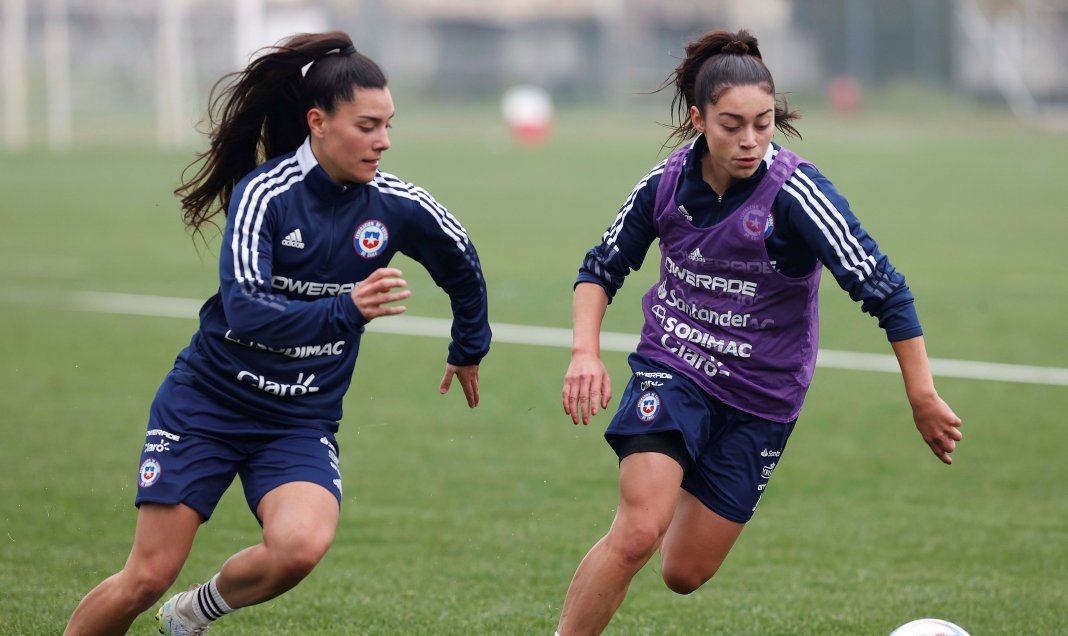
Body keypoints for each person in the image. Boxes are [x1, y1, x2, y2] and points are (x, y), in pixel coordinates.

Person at [63, 31, 490, 636]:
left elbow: (462, 262)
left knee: (299, 548)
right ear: (318, 121)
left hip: (298, 418)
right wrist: (348, 308)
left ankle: (194, 613)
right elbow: (246, 310)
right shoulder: (264, 194)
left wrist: (469, 347)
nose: (383, 141)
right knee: (148, 575)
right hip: (208, 404)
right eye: (367, 126)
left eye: (389, 125)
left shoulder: (398, 204)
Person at [555, 28, 962, 635]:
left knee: (683, 572)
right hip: (675, 367)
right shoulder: (665, 184)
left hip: (762, 400)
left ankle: (684, 472)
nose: (749, 140)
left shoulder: (798, 192)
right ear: (698, 119)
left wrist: (922, 394)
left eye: (763, 123)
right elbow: (600, 269)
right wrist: (584, 352)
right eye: (731, 124)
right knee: (638, 532)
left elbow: (885, 289)